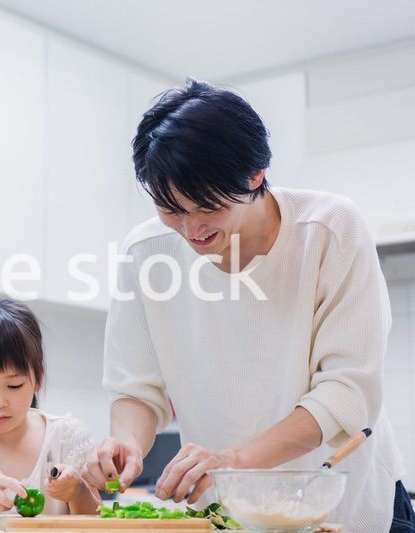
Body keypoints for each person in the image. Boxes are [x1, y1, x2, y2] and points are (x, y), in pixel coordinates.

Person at [85, 79, 413, 533]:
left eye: (206, 206)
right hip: (229, 515)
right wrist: (126, 445)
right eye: (169, 208)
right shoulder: (147, 253)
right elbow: (136, 390)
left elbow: (346, 394)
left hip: (343, 508)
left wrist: (232, 461)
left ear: (255, 174)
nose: (190, 228)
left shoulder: (330, 230)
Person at [0, 299, 100, 525]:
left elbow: (98, 521)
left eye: (14, 386)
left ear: (38, 378)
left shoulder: (66, 436)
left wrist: (78, 491)